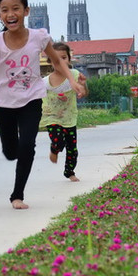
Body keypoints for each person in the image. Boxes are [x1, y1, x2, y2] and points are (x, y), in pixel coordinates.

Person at [0, 0, 85, 210]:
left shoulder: (38, 37)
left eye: (15, 8)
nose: (10, 14)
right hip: (4, 102)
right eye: (4, 10)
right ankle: (14, 152)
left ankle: (17, 195)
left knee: (27, 145)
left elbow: (56, 61)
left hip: (31, 99)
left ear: (26, 11)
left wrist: (72, 81)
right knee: (10, 152)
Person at [41, 42, 87, 182]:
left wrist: (82, 87)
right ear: (50, 61)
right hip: (52, 117)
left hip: (69, 118)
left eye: (64, 57)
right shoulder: (45, 82)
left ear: (69, 59)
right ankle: (54, 150)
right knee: (58, 140)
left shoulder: (74, 75)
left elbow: (83, 92)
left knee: (72, 148)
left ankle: (69, 172)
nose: (60, 62)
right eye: (56, 59)